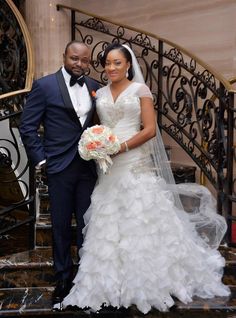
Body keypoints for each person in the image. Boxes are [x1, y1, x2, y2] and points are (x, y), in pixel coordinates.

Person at [62, 43, 230, 314]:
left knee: (141, 218)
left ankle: (149, 282)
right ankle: (108, 283)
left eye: (117, 63)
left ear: (128, 65)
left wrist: (121, 147)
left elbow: (150, 129)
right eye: (107, 63)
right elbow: (97, 126)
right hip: (108, 168)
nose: (111, 67)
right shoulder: (100, 92)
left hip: (133, 161)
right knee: (108, 221)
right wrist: (97, 144)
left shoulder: (141, 90)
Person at [19, 41, 100, 308]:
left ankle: (86, 278)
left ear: (89, 62)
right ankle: (63, 278)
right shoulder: (45, 86)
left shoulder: (95, 88)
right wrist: (41, 159)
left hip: (88, 167)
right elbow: (27, 126)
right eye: (74, 58)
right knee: (61, 226)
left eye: (85, 60)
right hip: (59, 167)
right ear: (64, 56)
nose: (79, 63)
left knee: (88, 225)